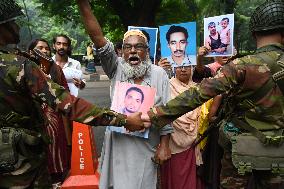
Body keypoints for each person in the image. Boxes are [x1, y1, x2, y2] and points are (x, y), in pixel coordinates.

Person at [0, 1, 146, 188]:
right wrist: (124, 120)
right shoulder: (19, 65)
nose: (17, 26)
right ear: (2, 26)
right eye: (13, 22)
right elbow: (70, 105)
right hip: (19, 165)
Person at [145, 0, 284, 188]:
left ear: (253, 34)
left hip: (241, 155)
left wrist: (152, 116)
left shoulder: (242, 66)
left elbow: (196, 96)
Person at [76, 1, 173, 189]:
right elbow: (97, 38)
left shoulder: (159, 74)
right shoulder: (117, 68)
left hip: (147, 145)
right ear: (122, 52)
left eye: (139, 47)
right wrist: (83, 4)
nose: (133, 50)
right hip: (118, 143)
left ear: (147, 51)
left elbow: (167, 114)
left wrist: (165, 145)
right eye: (128, 47)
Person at [27, 38, 71, 186]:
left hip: (54, 118)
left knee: (57, 150)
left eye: (47, 48)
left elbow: (65, 95)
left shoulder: (56, 70)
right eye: (40, 47)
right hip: (32, 119)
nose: (45, 51)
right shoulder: (24, 67)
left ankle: (57, 180)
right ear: (30, 51)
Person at [160, 65, 204, 189]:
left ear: (192, 69)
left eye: (187, 67)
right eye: (179, 67)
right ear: (174, 69)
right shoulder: (166, 86)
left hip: (194, 143)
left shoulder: (198, 88)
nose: (183, 70)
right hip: (172, 141)